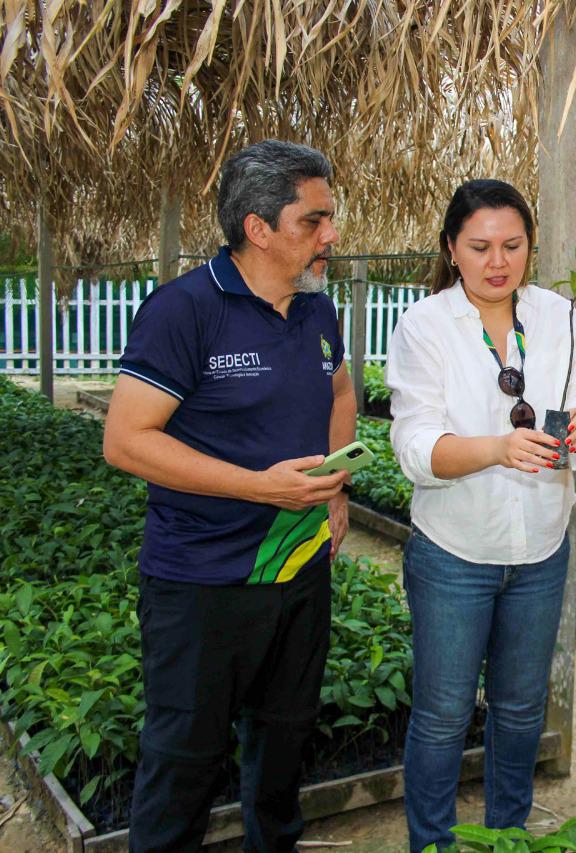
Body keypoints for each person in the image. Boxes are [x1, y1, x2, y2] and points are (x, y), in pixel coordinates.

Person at [102, 140, 354, 851]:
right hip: (203, 580)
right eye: (314, 220)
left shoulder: (315, 311)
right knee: (186, 758)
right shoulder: (185, 309)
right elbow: (125, 440)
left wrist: (336, 485)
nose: (330, 235)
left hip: (298, 569)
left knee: (283, 746)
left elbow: (338, 389)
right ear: (258, 228)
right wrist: (259, 486)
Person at [386, 179, 576, 850]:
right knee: (443, 713)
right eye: (480, 246)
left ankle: (507, 836)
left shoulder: (554, 315)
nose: (497, 261)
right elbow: (414, 448)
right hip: (455, 549)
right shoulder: (423, 326)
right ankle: (432, 840)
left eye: (512, 245)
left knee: (519, 711)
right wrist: (497, 448)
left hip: (540, 547)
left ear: (530, 247)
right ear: (451, 249)